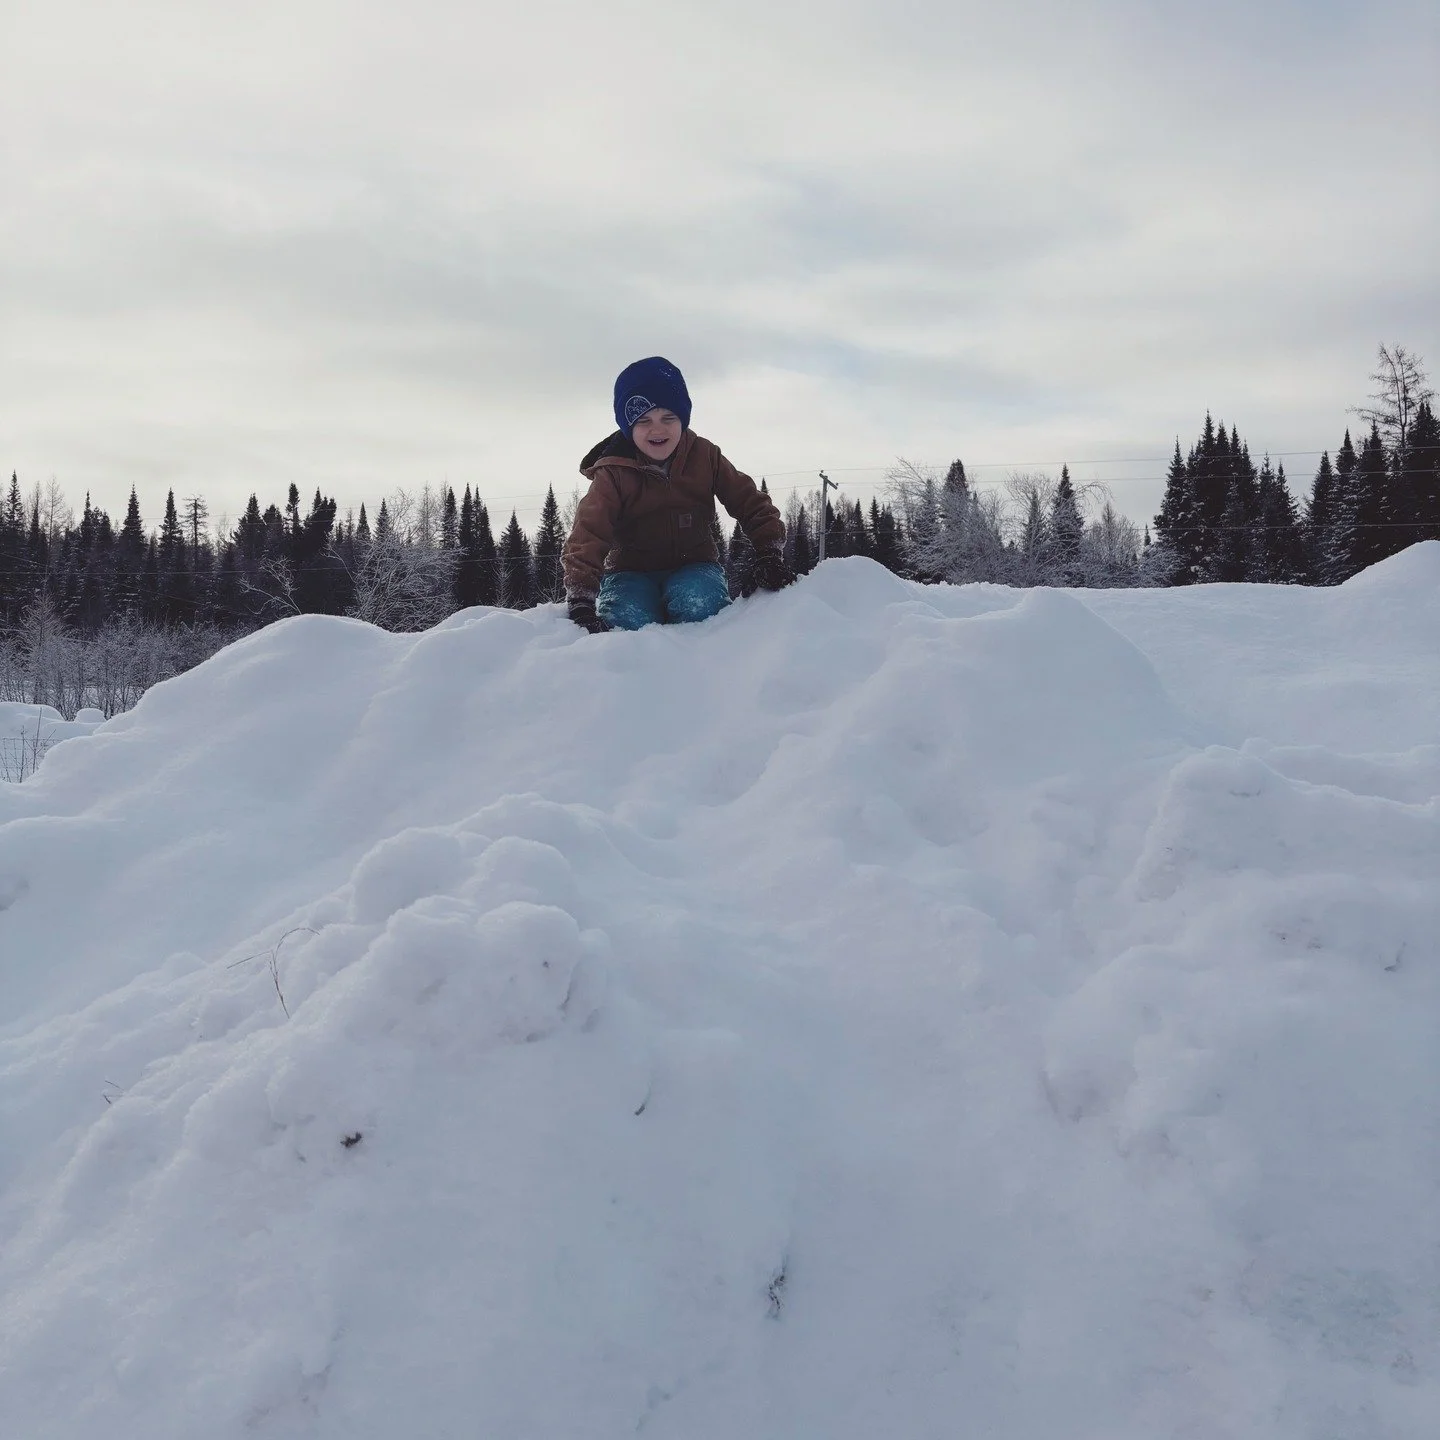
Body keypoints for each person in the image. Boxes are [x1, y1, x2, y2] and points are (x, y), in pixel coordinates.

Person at [562, 357, 794, 633]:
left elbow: (749, 501)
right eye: (644, 420)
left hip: (694, 565)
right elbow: (588, 533)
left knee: (701, 608)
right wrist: (580, 598)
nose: (657, 429)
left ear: (682, 419)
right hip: (629, 572)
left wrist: (768, 553)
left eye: (668, 418)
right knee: (627, 623)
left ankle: (706, 667)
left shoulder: (705, 456)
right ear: (628, 427)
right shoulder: (613, 472)